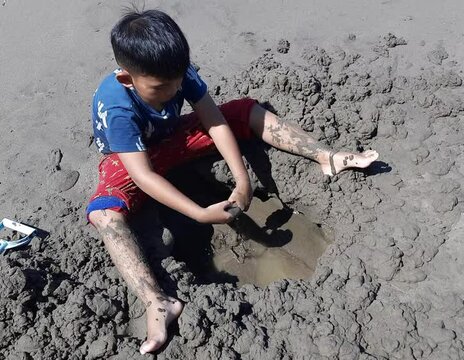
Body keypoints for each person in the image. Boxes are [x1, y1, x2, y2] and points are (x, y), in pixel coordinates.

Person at [86, 8, 378, 355]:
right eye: (161, 87)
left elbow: (216, 121)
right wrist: (198, 213)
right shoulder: (116, 106)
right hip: (132, 157)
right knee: (104, 214)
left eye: (179, 80)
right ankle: (156, 300)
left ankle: (325, 156)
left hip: (174, 138)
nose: (174, 90)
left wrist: (242, 179)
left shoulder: (177, 71)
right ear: (127, 79)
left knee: (243, 111)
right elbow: (143, 175)